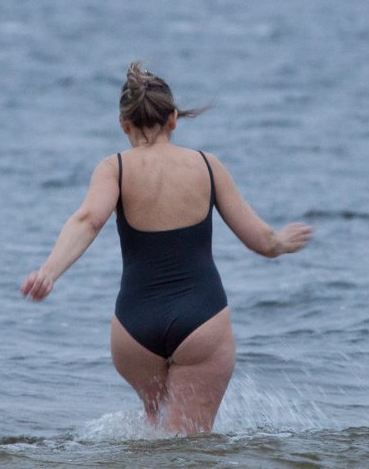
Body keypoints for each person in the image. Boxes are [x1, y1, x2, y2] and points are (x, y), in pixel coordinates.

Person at [20, 62, 313, 434]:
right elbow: (261, 241)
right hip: (201, 321)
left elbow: (87, 220)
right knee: (189, 445)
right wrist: (282, 243)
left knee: (155, 434)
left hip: (133, 330)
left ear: (123, 124)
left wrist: (49, 272)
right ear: (174, 119)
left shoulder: (115, 168)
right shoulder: (207, 165)